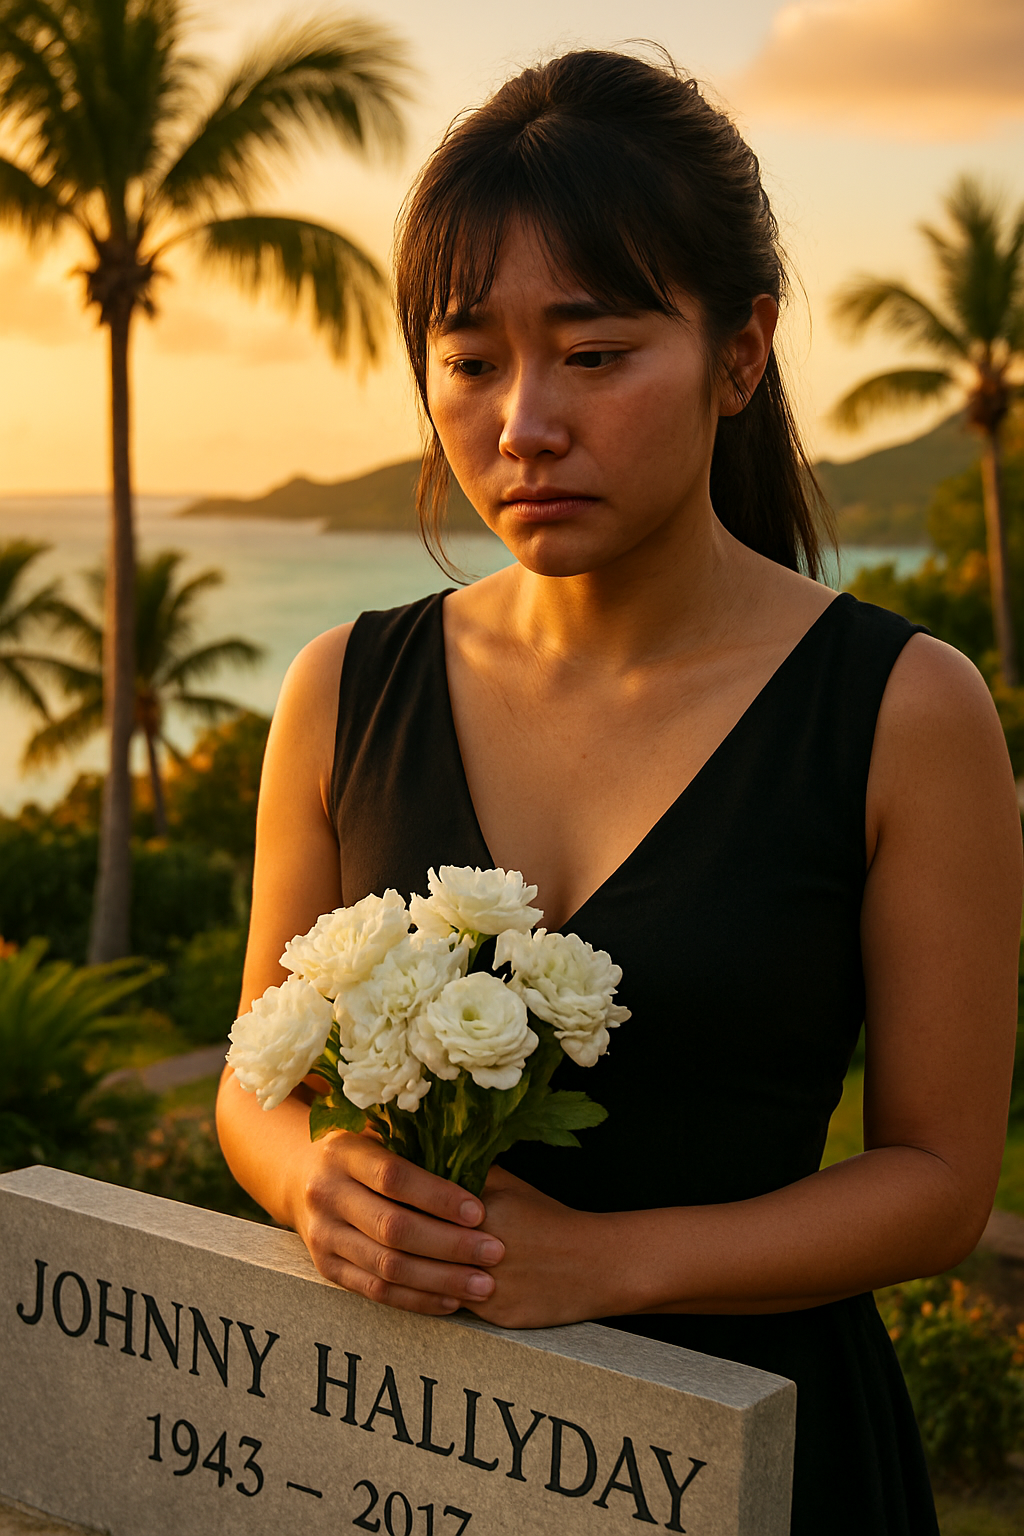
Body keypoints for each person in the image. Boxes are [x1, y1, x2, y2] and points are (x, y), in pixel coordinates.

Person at [216, 50, 1021, 1534]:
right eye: (471, 361)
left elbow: (936, 1181)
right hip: (412, 1460)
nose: (524, 422)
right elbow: (255, 1077)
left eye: (593, 354)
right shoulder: (344, 689)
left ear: (741, 350)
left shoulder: (904, 710)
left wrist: (611, 1263)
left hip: (766, 1457)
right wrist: (311, 1179)